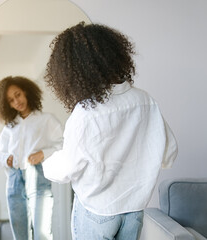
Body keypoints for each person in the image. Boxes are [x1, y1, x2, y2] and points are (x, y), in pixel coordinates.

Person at [42, 22, 178, 240]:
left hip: (96, 211)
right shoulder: (146, 101)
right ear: (115, 55)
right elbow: (169, 154)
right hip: (134, 211)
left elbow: (68, 167)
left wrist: (47, 164)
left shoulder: (86, 112)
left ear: (75, 71)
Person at [0, 76, 63, 240]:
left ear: (26, 92)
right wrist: (5, 158)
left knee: (42, 234)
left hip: (38, 179)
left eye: (18, 95)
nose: (17, 101)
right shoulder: (9, 127)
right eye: (11, 100)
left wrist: (43, 153)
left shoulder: (46, 120)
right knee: (20, 236)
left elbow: (64, 146)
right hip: (15, 181)